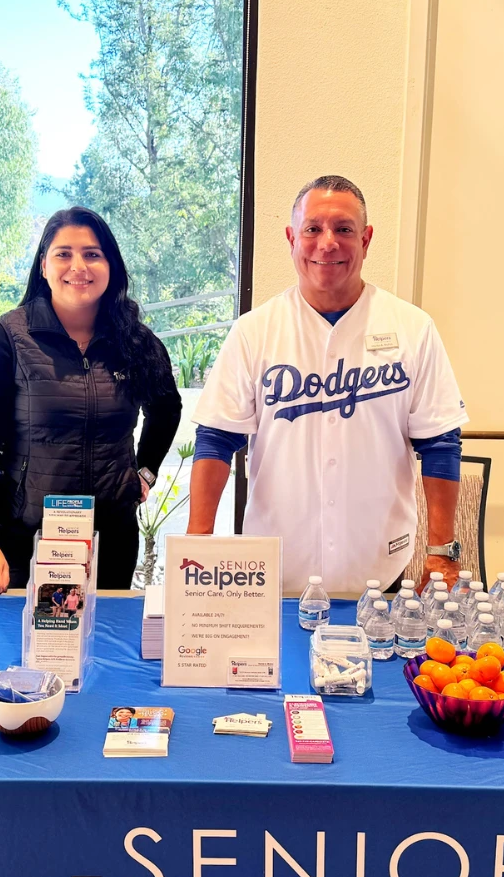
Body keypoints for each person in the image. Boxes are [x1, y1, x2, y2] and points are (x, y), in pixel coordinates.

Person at [187, 175, 467, 593]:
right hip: (271, 568)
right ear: (291, 238)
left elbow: (440, 443)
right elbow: (216, 438)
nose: (327, 243)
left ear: (367, 238)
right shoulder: (254, 331)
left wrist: (442, 551)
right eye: (313, 229)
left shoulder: (412, 328)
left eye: (344, 229)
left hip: (381, 565)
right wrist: (197, 543)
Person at [0, 207, 182, 592]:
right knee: (31, 649)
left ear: (110, 265)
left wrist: (145, 471)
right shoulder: (9, 338)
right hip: (26, 539)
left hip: (111, 537)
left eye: (92, 254)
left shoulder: (135, 340)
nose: (78, 266)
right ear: (44, 266)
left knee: (105, 645)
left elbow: (166, 408)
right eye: (63, 253)